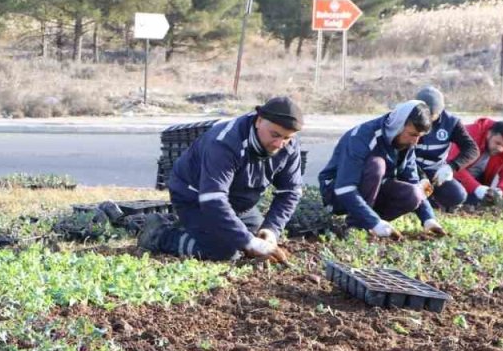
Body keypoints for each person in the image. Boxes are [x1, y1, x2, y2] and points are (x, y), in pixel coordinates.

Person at [138, 97, 304, 262]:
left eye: (287, 138)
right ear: (259, 121)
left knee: (257, 239)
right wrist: (248, 241)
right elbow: (213, 200)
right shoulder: (225, 143)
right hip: (195, 197)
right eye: (275, 135)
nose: (279, 144)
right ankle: (160, 234)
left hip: (238, 201)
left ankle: (195, 227)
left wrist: (271, 230)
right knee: (225, 251)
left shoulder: (288, 146)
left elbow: (290, 192)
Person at [318, 100, 446, 239]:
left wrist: (428, 219)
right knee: (376, 165)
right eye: (412, 134)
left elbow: (413, 181)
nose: (415, 142)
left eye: (419, 137)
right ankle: (356, 227)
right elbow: (344, 188)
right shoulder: (362, 137)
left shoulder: (405, 144)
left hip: (370, 193)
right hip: (337, 193)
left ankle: (373, 224)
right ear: (398, 125)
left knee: (413, 194)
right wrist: (373, 222)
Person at [410, 86, 479, 211]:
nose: (428, 119)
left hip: (435, 172)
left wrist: (451, 167)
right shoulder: (408, 119)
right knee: (412, 194)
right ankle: (418, 203)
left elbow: (472, 149)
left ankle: (431, 202)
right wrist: (420, 176)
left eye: (432, 115)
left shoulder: (451, 123)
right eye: (425, 114)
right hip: (409, 169)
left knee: (458, 195)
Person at [449, 118, 503, 205]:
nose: (500, 148)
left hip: (478, 182)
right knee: (459, 197)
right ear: (489, 134)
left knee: (482, 202)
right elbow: (453, 166)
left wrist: (501, 190)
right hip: (450, 176)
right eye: (497, 143)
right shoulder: (469, 134)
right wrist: (477, 188)